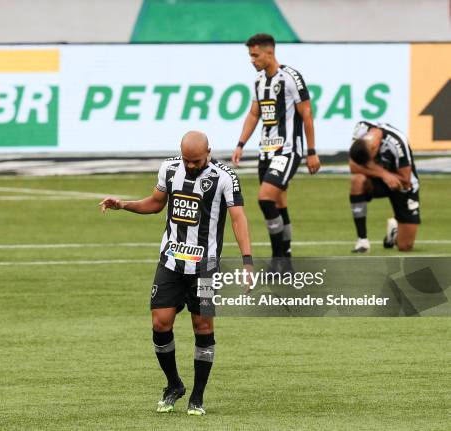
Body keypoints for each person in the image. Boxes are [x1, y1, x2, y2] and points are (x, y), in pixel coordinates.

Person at [99, 131, 253, 416]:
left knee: (203, 328)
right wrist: (123, 205)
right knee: (160, 324)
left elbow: (238, 218)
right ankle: (173, 385)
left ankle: (197, 396)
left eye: (196, 160)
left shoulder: (225, 177)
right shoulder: (170, 169)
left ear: (209, 152)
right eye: (187, 160)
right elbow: (156, 203)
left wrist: (247, 262)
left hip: (205, 267)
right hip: (170, 261)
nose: (191, 165)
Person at [231, 33, 320, 267]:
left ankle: (277, 259)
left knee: (265, 199)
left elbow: (307, 114)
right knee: (279, 203)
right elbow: (254, 114)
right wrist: (240, 144)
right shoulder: (259, 81)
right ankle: (286, 260)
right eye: (250, 55)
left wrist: (311, 151)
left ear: (270, 52)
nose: (252, 60)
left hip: (288, 150)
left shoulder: (291, 77)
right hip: (266, 152)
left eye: (255, 55)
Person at [348, 121, 420, 252]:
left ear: (374, 149)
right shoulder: (361, 130)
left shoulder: (397, 142)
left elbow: (405, 179)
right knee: (357, 180)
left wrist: (385, 175)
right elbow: (353, 166)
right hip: (378, 179)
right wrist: (384, 174)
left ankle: (394, 232)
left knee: (405, 246)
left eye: (368, 161)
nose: (367, 163)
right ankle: (362, 241)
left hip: (402, 184)